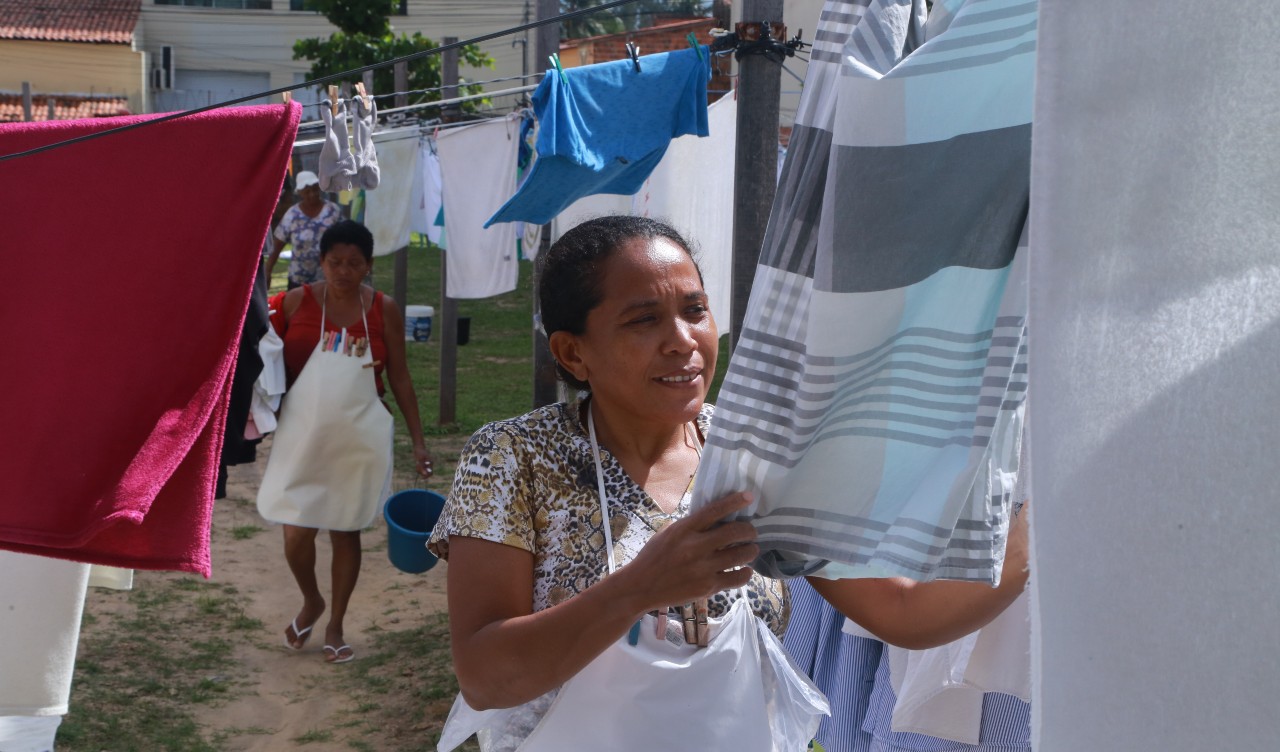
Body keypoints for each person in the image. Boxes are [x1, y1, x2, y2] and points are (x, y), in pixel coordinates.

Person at [427, 215, 1028, 750]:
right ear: (573, 353)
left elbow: (902, 610)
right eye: (644, 320)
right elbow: (485, 677)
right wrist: (637, 589)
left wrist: (1041, 524)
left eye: (695, 310)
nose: (683, 341)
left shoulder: (752, 458)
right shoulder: (513, 457)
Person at [257, 220, 434, 665]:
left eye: (354, 263)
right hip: (303, 434)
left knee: (344, 527)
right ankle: (311, 600)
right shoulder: (296, 302)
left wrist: (418, 442)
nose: (343, 271)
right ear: (321, 262)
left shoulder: (383, 309)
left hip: (358, 435)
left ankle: (335, 623)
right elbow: (259, 344)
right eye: (335, 262)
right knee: (296, 531)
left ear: (368, 266)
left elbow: (400, 378)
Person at [265, 169, 342, 289]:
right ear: (300, 192)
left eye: (315, 189)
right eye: (307, 191)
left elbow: (347, 239)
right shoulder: (292, 214)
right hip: (299, 280)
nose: (312, 194)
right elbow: (278, 244)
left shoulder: (332, 211)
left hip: (328, 278)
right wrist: (268, 271)